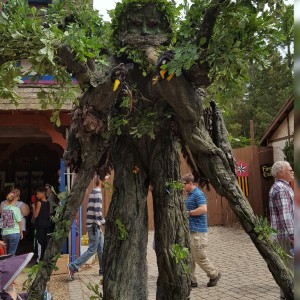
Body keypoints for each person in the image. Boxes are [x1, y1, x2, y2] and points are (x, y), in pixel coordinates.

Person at [182, 173, 221, 288]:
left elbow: (203, 209)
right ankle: (191, 280)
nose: (182, 186)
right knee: (190, 257)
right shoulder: (189, 195)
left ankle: (214, 274)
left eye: (184, 184)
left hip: (198, 231)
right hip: (191, 231)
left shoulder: (198, 194)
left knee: (200, 257)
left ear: (190, 183)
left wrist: (188, 213)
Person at [68, 176, 105, 280]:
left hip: (94, 225)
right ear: (101, 181)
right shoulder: (97, 193)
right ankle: (73, 266)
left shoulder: (94, 192)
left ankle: (103, 270)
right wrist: (104, 223)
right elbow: (97, 212)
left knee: (101, 248)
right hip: (94, 225)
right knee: (92, 249)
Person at [269, 161, 294, 300]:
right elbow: (285, 216)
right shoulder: (281, 189)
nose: (292, 172)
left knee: (287, 268)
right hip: (285, 236)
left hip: (283, 235)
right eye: (289, 170)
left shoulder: (282, 187)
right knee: (290, 268)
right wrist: (293, 235)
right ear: (280, 172)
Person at [32, 187, 51, 263]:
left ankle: (39, 259)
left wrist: (33, 208)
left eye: (38, 194)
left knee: (39, 242)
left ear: (43, 193)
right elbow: (49, 214)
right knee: (46, 242)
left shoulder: (39, 203)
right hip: (47, 224)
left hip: (40, 225)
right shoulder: (48, 202)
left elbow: (35, 215)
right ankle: (46, 259)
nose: (37, 195)